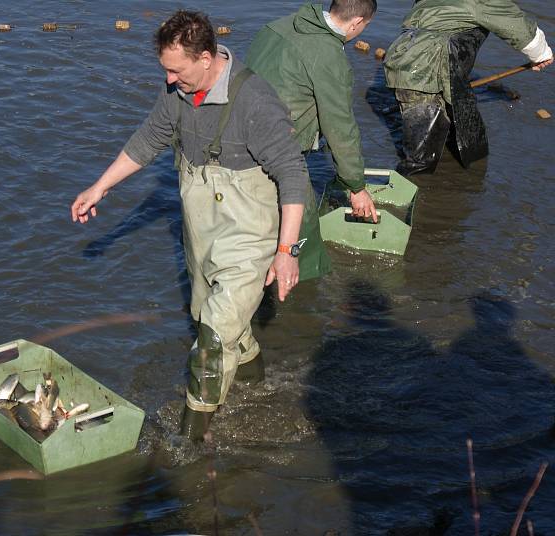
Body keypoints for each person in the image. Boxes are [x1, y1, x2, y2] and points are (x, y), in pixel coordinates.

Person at [71, 10, 330, 440]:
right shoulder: (177, 92)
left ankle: (190, 445)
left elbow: (293, 175)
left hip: (251, 232)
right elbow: (150, 137)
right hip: (203, 231)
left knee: (211, 339)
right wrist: (99, 188)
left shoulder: (255, 102)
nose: (170, 80)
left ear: (207, 58)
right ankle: (256, 385)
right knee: (211, 317)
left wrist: (286, 254)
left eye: (177, 70)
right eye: (165, 70)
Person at [383, 0, 552, 175]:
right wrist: (542, 54)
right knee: (421, 161)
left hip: (405, 58)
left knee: (473, 143)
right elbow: (519, 28)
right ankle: (406, 194)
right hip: (426, 68)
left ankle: (465, 184)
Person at [247, 0, 378, 223]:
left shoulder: (279, 25)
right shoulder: (329, 56)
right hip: (277, 144)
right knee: (302, 223)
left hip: (240, 127)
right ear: (356, 22)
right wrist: (356, 187)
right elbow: (340, 126)